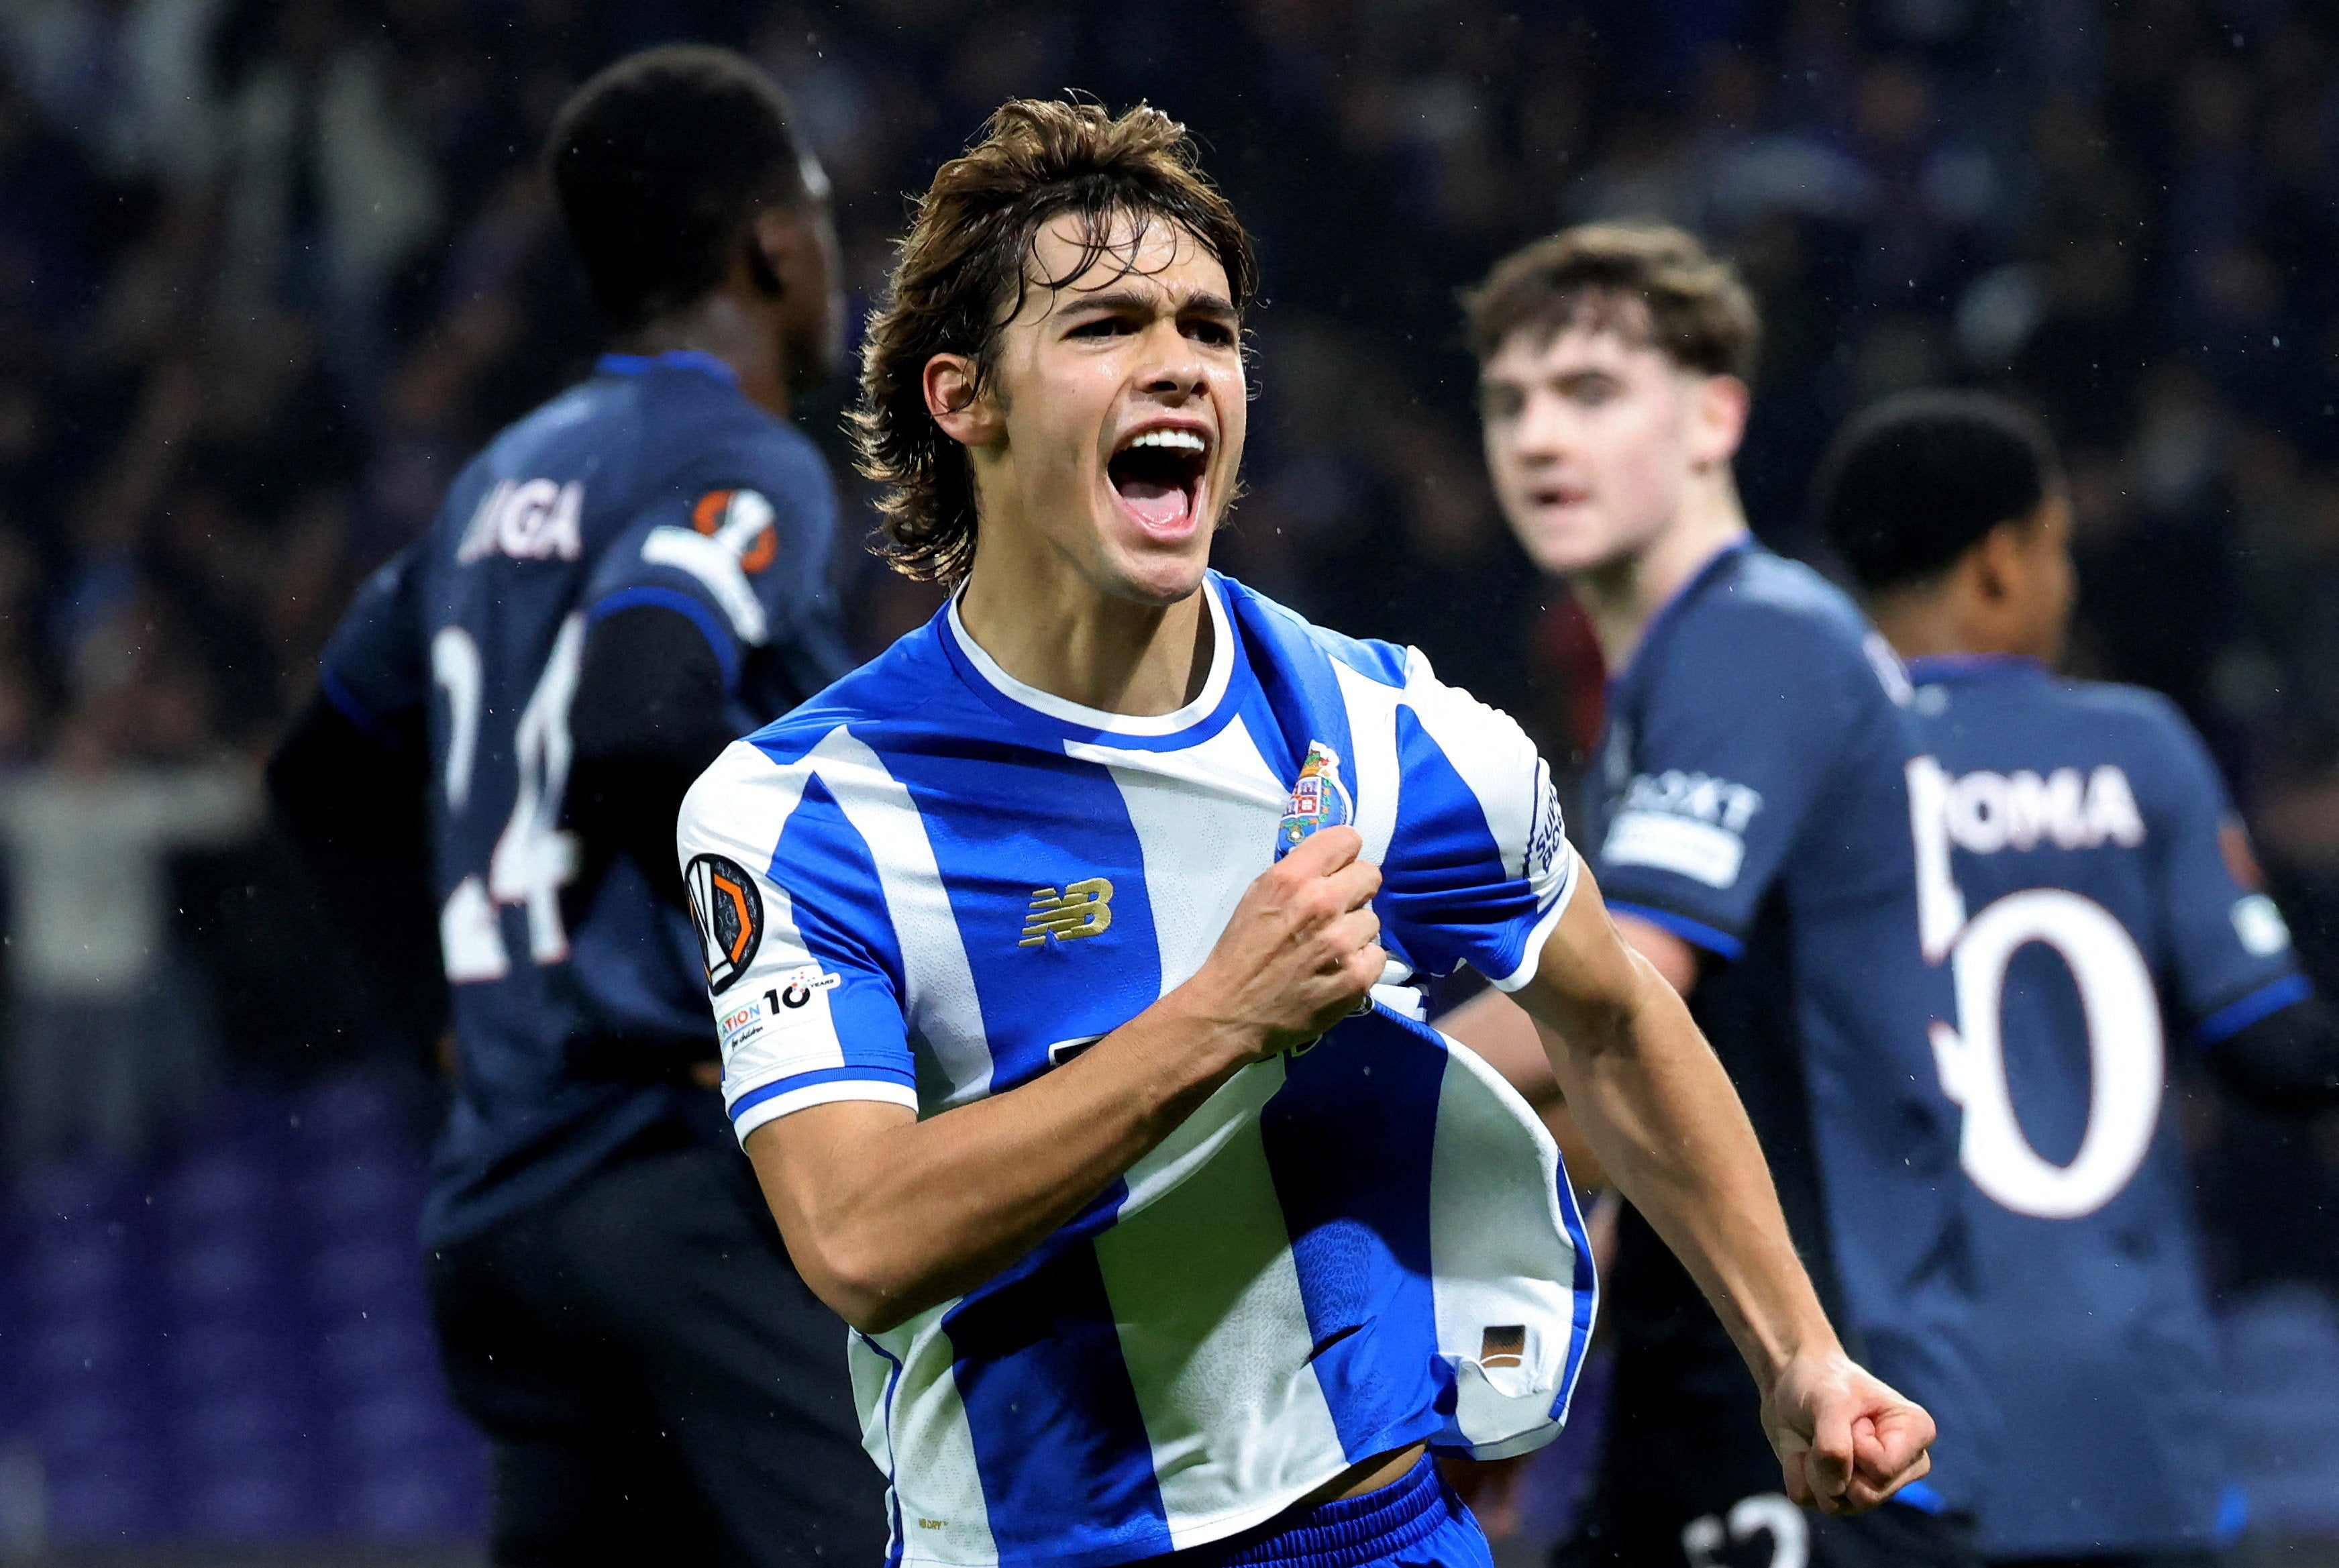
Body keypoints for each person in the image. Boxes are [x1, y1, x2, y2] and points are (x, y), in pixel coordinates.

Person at [674, 100, 1934, 1568]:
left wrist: (1797, 1351)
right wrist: (1223, 1014)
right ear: (965, 397)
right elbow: (858, 1239)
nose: (1180, 364)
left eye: (1208, 328)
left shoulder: (1394, 726)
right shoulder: (801, 806)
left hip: (1375, 1532)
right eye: (1103, 326)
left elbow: (1613, 1019)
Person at [266, 46, 885, 1565]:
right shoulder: (744, 458)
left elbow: (318, 773)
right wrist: (834, 942)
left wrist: (437, 1012)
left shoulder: (498, 485)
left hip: (500, 1205)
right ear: (774, 245)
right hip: (663, 1171)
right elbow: (635, 710)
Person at [1441, 223, 1992, 1568]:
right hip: (1721, 1374)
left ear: (1715, 415)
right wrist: (1518, 1374)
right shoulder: (1671, 682)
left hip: (1830, 1386)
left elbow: (1620, 992)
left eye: (1589, 392)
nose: (1536, 438)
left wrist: (1282, 1084)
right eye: (1510, 401)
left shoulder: (1756, 638)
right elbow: (1621, 1097)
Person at [1816, 389, 2339, 1568]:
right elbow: (2272, 1051)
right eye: (2056, 549)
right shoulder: (2134, 747)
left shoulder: (1822, 769)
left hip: (1888, 1404)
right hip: (2127, 1406)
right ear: (2002, 561)